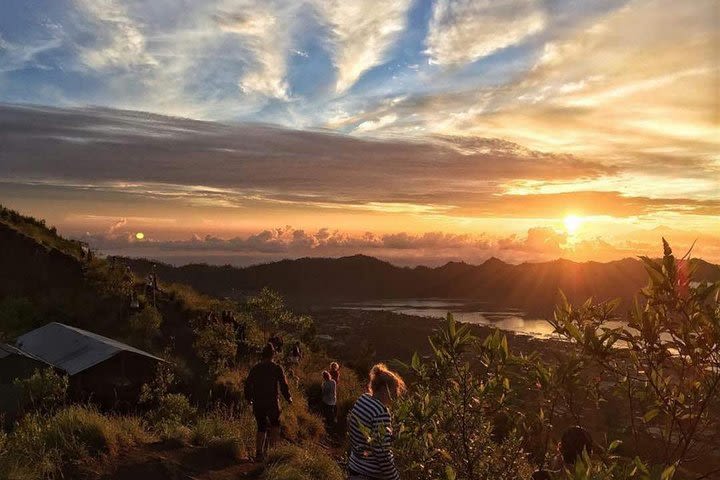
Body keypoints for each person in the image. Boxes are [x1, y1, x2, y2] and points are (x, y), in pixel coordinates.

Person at [347, 363, 406, 480]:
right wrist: (394, 477)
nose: (396, 394)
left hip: (354, 466)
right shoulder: (381, 412)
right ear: (385, 389)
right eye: (395, 390)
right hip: (370, 474)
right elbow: (382, 453)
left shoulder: (363, 399)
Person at [244, 343, 293, 461]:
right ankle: (272, 453)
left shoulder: (255, 368)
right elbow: (283, 385)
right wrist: (288, 398)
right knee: (275, 425)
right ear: (273, 354)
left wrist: (248, 398)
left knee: (261, 427)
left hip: (258, 402)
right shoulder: (277, 368)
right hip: (272, 402)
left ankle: (259, 453)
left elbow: (247, 384)